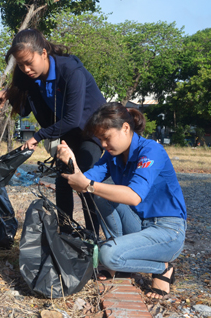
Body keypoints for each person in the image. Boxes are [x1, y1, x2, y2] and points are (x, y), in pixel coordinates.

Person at [57, 102, 186, 299]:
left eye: (106, 138)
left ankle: (162, 268)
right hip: (140, 224)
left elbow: (133, 196)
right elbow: (87, 178)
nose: (103, 145)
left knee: (106, 255)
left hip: (167, 230)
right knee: (100, 194)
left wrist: (88, 185)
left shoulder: (151, 151)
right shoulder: (113, 155)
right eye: (100, 140)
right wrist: (71, 163)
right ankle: (116, 254)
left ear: (125, 128)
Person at [0, 29, 106, 235]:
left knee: (83, 181)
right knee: (63, 181)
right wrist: (9, 93)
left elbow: (73, 118)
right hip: (69, 133)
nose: (26, 69)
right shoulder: (31, 75)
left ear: (43, 53)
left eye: (29, 62)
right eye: (20, 64)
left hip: (92, 131)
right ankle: (65, 233)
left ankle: (93, 237)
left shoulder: (71, 71)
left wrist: (38, 136)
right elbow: (25, 102)